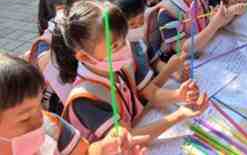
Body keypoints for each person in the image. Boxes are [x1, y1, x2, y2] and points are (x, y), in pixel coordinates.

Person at [50, 0, 208, 142]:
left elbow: (151, 93)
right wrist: (179, 115)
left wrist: (179, 94)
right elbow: (128, 138)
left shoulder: (119, 66)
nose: (126, 48)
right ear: (84, 57)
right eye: (114, 46)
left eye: (124, 39)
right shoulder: (85, 99)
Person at [0, 54, 148, 155]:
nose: (39, 120)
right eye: (25, 118)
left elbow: (84, 152)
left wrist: (104, 149)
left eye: (40, 106)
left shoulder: (51, 126)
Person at [103, 0, 189, 86]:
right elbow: (145, 96)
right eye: (132, 24)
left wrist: (177, 74)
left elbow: (154, 62)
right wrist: (169, 70)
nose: (139, 27)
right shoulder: (120, 59)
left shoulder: (139, 43)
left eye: (141, 20)